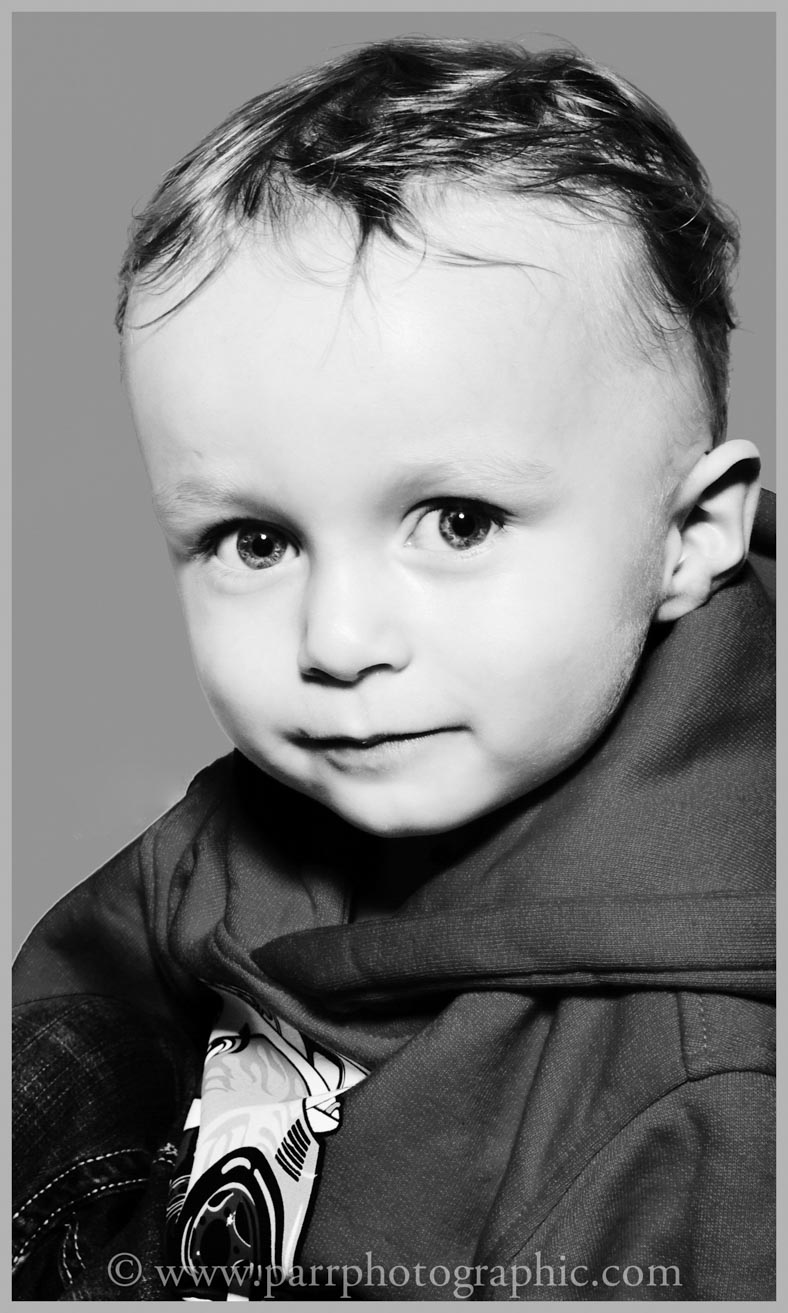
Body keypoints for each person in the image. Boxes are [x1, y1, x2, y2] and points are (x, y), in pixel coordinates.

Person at [13, 37, 774, 1301]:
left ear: (691, 536)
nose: (336, 639)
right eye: (254, 540)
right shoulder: (226, 844)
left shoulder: (715, 1101)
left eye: (458, 521)